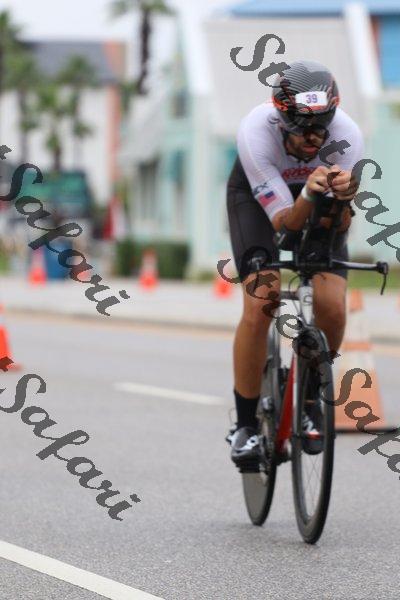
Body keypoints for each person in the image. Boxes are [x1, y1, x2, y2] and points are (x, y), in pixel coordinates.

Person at [226, 60, 363, 467]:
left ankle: (308, 401)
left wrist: (344, 200)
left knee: (332, 306)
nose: (312, 137)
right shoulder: (256, 132)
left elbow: (338, 225)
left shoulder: (348, 137)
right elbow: (284, 228)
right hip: (257, 201)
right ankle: (246, 426)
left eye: (321, 126)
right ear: (282, 118)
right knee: (262, 301)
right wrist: (307, 195)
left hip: (316, 197)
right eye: (302, 128)